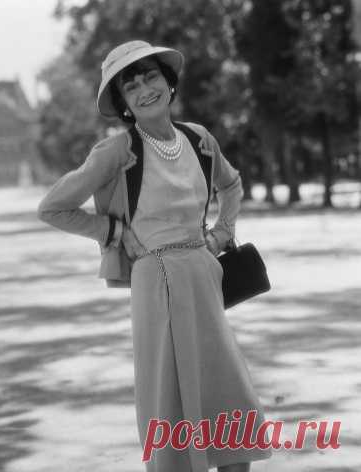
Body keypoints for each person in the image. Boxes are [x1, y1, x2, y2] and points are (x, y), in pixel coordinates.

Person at [37, 40, 273, 472]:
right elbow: (52, 207)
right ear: (124, 103)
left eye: (151, 77)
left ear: (168, 83)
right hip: (155, 278)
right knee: (170, 396)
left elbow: (232, 185)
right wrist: (110, 230)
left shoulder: (198, 139)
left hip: (205, 273)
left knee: (227, 392)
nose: (145, 90)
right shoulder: (116, 151)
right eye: (131, 87)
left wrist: (223, 231)